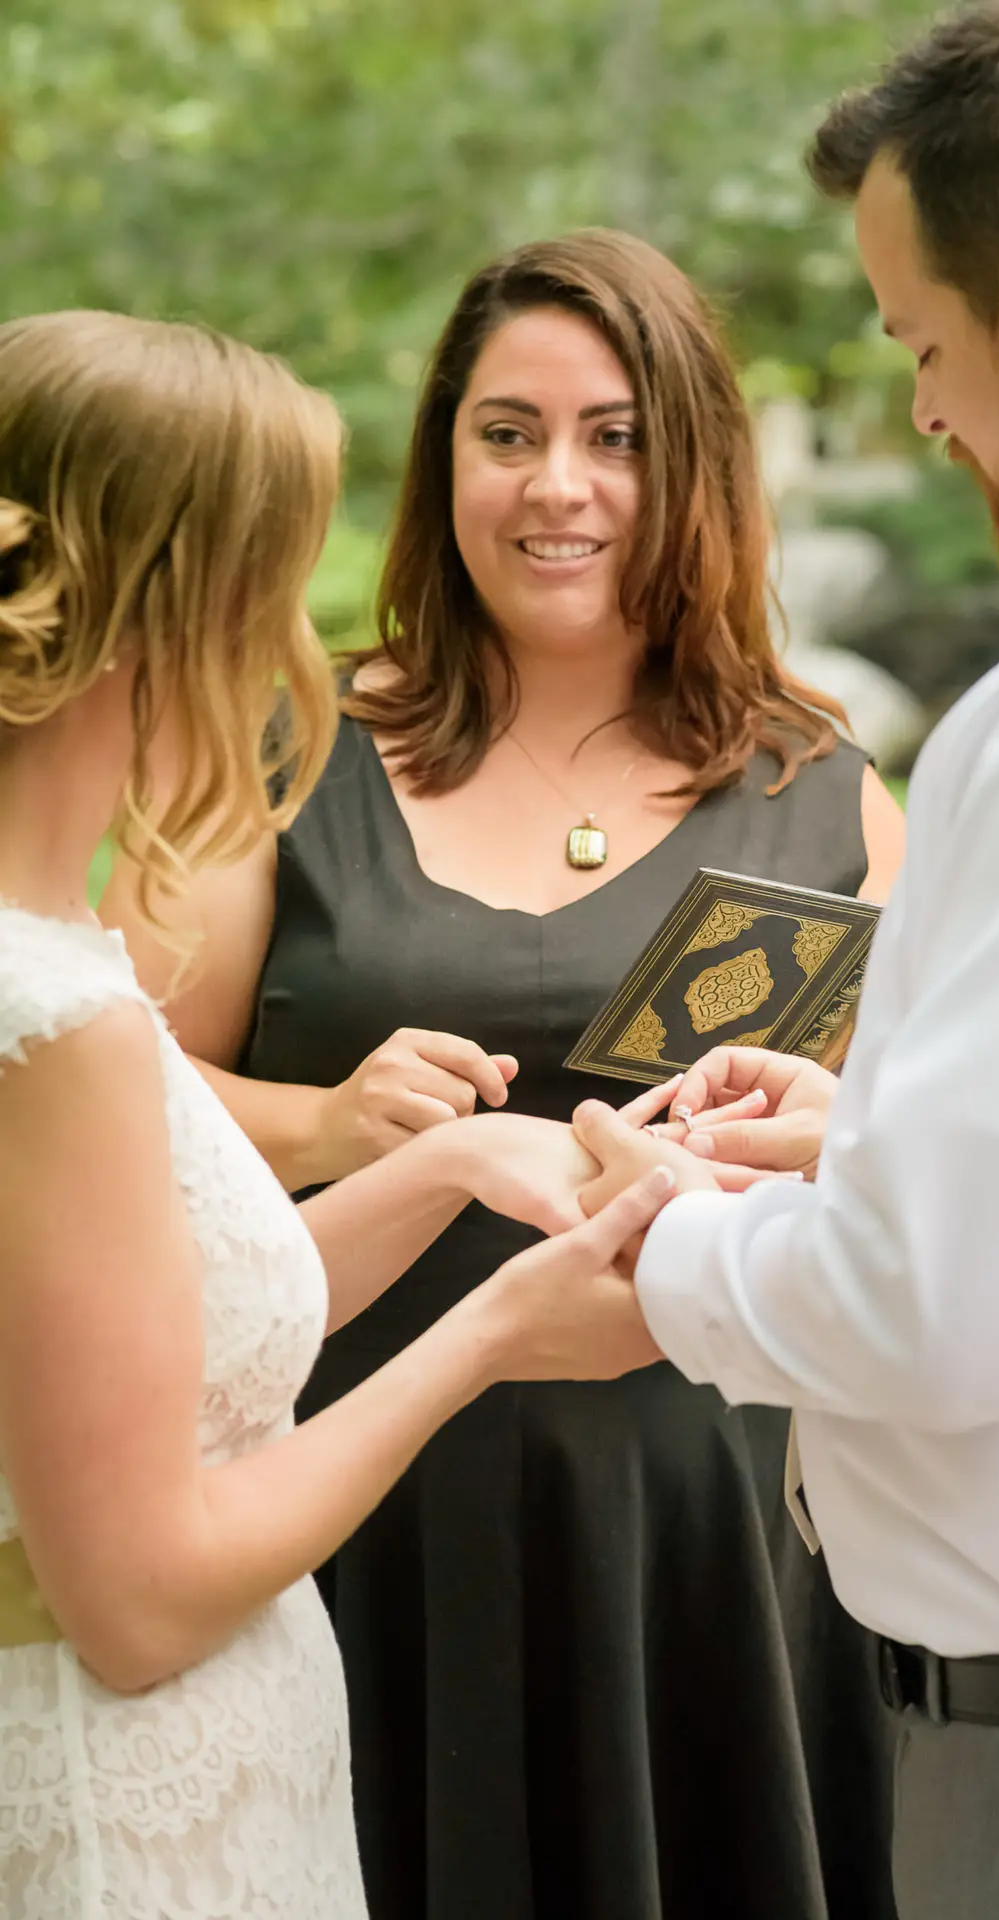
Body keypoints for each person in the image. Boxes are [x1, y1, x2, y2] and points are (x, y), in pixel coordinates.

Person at [570, 6, 999, 1918]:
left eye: (920, 344)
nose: (925, 415)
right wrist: (875, 1127)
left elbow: (934, 1320)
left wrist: (663, 1239)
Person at [103, 228, 905, 1920]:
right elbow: (103, 1098)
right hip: (345, 1498)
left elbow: (912, 1163)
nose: (561, 486)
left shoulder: (826, 785)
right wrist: (320, 1121)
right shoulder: (281, 744)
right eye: (507, 432)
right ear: (443, 457)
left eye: (615, 436)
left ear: (692, 464)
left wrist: (801, 1145)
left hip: (707, 1554)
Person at [0, 305, 688, 1920]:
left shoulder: (56, 954)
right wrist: (495, 1336)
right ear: (167, 612)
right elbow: (144, 1597)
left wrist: (449, 1167)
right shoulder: (60, 1023)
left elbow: (165, 1350)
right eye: (267, 588)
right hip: (132, 1827)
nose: (291, 650)